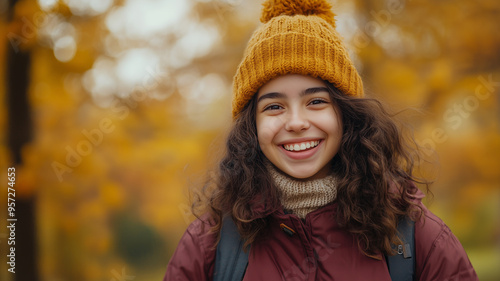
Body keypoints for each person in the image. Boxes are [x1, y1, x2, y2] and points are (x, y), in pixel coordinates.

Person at [163, 0, 478, 280]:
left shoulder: (416, 237)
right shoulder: (209, 246)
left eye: (316, 101)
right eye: (274, 106)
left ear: (346, 114)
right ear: (252, 126)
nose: (297, 123)